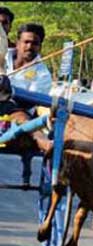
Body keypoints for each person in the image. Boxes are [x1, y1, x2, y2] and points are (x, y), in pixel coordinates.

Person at [2, 23, 53, 161]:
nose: (30, 46)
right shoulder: (2, 56)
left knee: (17, 111)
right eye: (26, 42)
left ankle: (43, 142)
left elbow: (30, 103)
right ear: (17, 43)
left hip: (17, 111)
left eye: (35, 43)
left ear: (40, 46)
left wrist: (10, 90)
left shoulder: (43, 74)